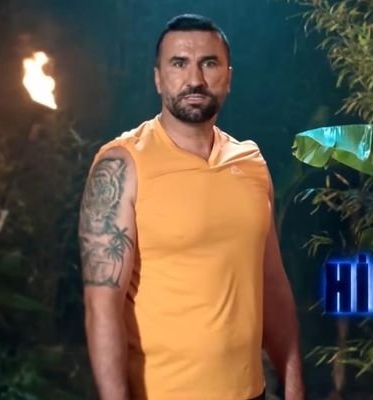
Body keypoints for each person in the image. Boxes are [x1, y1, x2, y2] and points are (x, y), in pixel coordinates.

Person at [78, 13, 305, 400]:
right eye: (179, 63)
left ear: (228, 77)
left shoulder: (251, 162)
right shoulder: (122, 164)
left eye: (209, 63)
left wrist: (294, 383)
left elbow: (272, 285)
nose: (194, 79)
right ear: (158, 78)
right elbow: (102, 306)